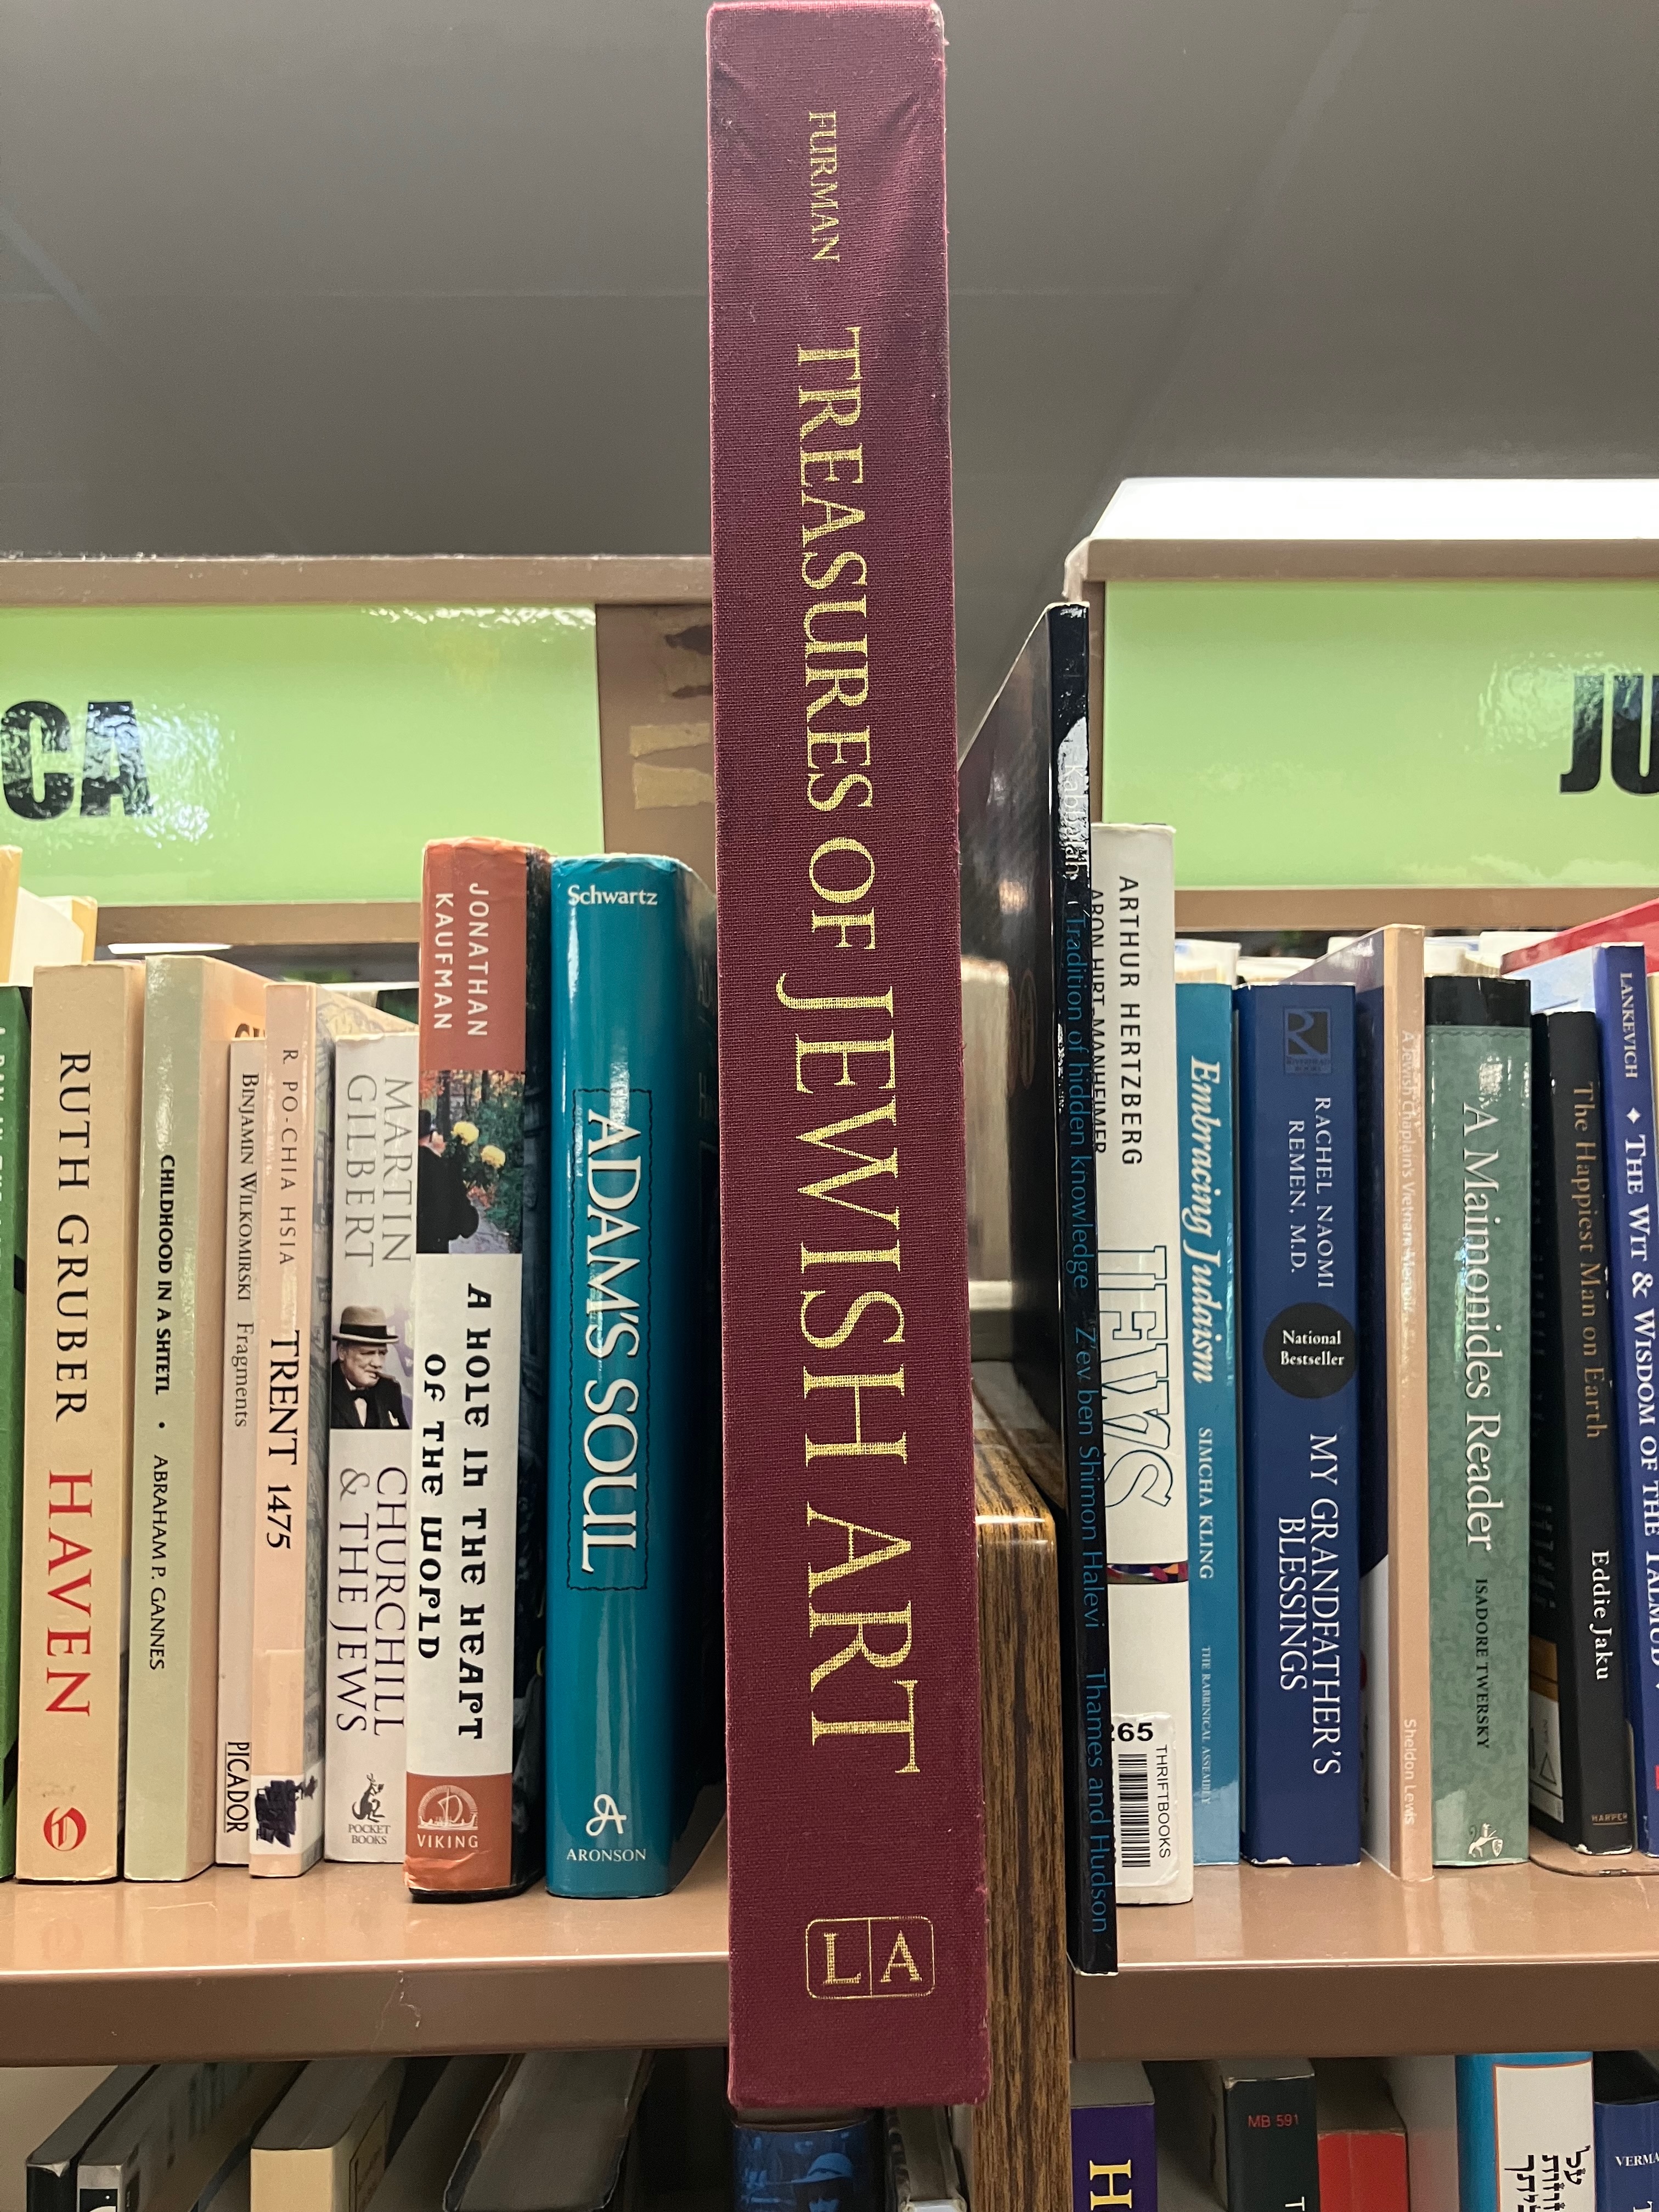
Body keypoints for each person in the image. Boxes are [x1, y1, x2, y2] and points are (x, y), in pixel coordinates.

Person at [329, 1305, 408, 1429]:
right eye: (367, 1353)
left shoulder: (390, 1390)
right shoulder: (322, 1389)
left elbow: (402, 1438)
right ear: (342, 1352)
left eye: (382, 1353)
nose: (378, 1363)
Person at [417, 1109, 479, 1251]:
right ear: (431, 1138)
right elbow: (466, 1226)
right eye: (438, 1134)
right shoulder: (446, 1171)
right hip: (433, 1253)